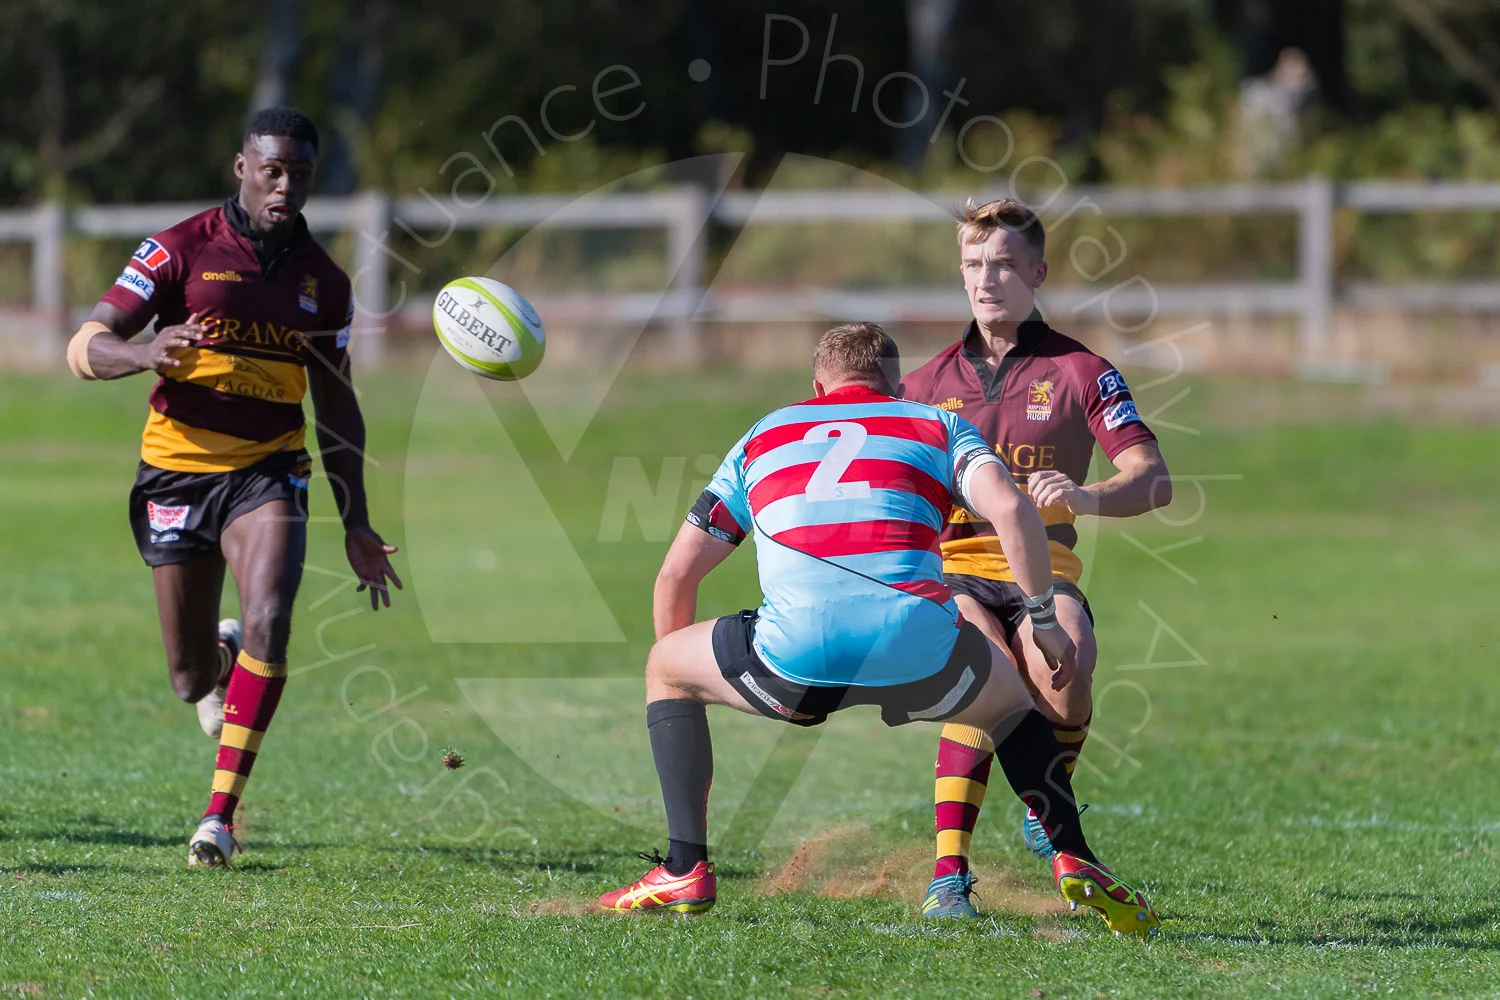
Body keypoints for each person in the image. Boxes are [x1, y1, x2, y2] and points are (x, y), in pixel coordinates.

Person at [596, 323, 1158, 935]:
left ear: (817, 387)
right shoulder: (934, 424)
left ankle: (684, 867)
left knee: (666, 668)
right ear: (896, 386)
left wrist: (694, 687)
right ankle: (1071, 850)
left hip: (797, 657)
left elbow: (676, 575)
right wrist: (1044, 621)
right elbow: (1013, 509)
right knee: (1011, 704)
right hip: (916, 645)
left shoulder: (764, 434)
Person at [65, 107, 402, 867]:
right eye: (272, 169)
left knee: (273, 617)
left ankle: (219, 816)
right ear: (241, 168)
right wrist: (148, 351)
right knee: (188, 680)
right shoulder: (177, 250)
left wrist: (356, 521)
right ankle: (217, 660)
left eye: (301, 173)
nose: (286, 185)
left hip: (269, 470)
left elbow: (337, 403)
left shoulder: (325, 282)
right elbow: (85, 346)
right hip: (177, 469)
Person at [902, 198, 1172, 919]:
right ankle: (949, 879)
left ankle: (1044, 795)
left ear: (1037, 273)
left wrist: (1085, 497)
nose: (986, 279)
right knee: (981, 677)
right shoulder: (924, 387)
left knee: (1068, 671)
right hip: (953, 571)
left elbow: (1154, 479)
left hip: (1045, 572)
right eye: (972, 264)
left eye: (1003, 265)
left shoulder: (1083, 370)